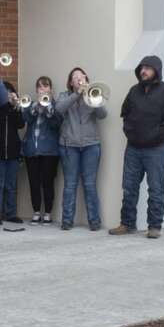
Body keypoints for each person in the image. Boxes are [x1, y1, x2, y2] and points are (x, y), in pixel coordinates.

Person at [110, 55, 164, 238]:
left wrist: (156, 136)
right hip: (133, 148)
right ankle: (127, 224)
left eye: (148, 68)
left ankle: (154, 226)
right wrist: (130, 133)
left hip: (158, 149)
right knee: (129, 187)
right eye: (142, 68)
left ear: (156, 70)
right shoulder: (134, 91)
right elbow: (125, 113)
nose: (143, 71)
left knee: (155, 188)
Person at [56, 66, 106, 231]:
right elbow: (59, 109)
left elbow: (103, 115)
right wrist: (77, 93)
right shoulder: (64, 95)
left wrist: (91, 96)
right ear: (71, 82)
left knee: (90, 184)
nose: (79, 79)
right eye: (75, 77)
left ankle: (94, 221)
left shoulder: (91, 94)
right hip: (69, 146)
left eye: (81, 77)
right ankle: (67, 221)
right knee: (70, 184)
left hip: (91, 145)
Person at [21, 76, 61, 225]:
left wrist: (48, 108)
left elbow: (56, 124)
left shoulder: (56, 105)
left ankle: (48, 213)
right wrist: (35, 108)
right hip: (32, 150)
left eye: (45, 86)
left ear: (50, 89)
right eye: (39, 86)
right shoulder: (31, 105)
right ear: (36, 90)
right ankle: (36, 212)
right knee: (34, 182)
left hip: (50, 151)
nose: (42, 89)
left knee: (47, 182)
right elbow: (26, 119)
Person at [0, 81, 24, 225]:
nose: (8, 95)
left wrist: (15, 107)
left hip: (13, 151)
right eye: (5, 93)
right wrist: (6, 105)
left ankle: (11, 214)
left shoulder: (15, 107)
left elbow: (21, 124)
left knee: (11, 185)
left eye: (10, 92)